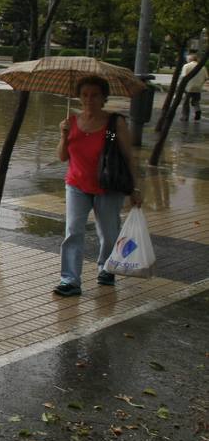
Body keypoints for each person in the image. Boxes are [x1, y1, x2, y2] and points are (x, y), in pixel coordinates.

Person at [54, 75, 142, 296]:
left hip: (108, 187)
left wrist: (134, 188)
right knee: (73, 231)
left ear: (104, 98)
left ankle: (106, 268)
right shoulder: (71, 122)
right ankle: (70, 280)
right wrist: (64, 136)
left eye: (94, 95)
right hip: (76, 185)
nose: (89, 99)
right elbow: (62, 157)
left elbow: (126, 155)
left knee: (109, 232)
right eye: (84, 95)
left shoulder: (112, 124)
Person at [180, 53, 204, 121]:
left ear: (190, 59)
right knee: (196, 101)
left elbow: (183, 77)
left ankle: (185, 116)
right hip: (198, 88)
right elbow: (206, 77)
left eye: (187, 59)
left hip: (188, 87)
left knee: (186, 102)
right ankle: (197, 110)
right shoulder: (202, 66)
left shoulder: (186, 66)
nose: (186, 60)